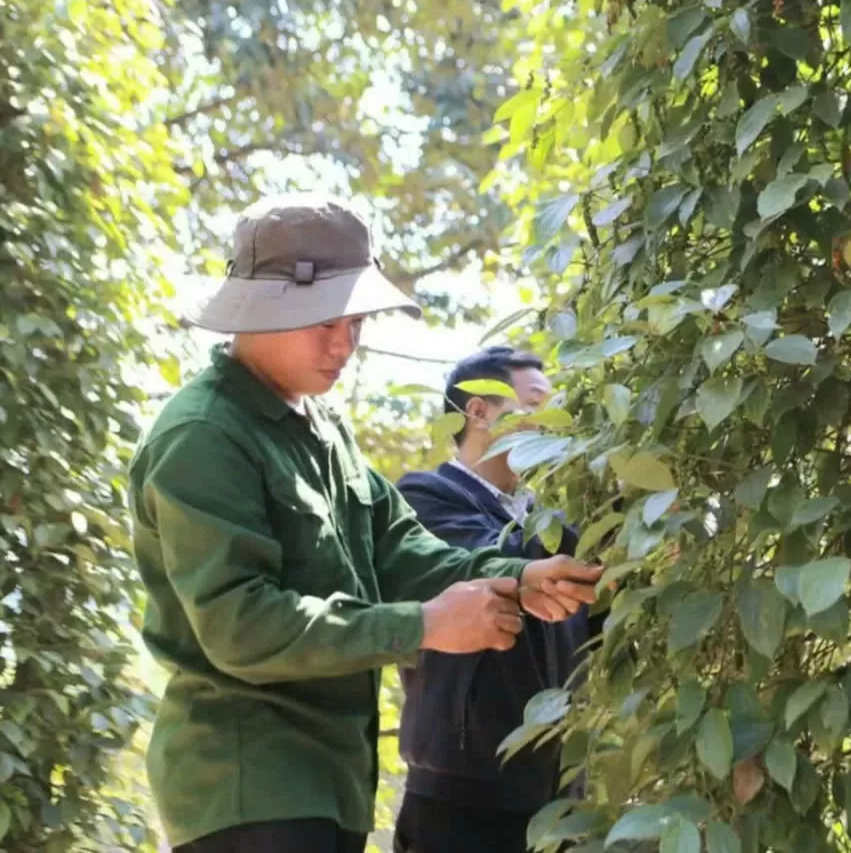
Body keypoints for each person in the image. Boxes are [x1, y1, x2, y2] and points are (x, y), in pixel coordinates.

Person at [128, 194, 603, 853]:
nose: (344, 342)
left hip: (330, 786)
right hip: (248, 791)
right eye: (323, 319)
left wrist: (520, 576)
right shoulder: (204, 436)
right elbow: (242, 624)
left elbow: (404, 549)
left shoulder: (322, 431)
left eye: (355, 320)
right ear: (257, 312)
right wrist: (426, 624)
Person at [391, 346, 600, 853]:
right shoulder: (423, 498)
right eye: (535, 404)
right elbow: (501, 563)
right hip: (462, 793)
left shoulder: (556, 521)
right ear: (478, 411)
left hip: (557, 799)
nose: (552, 422)